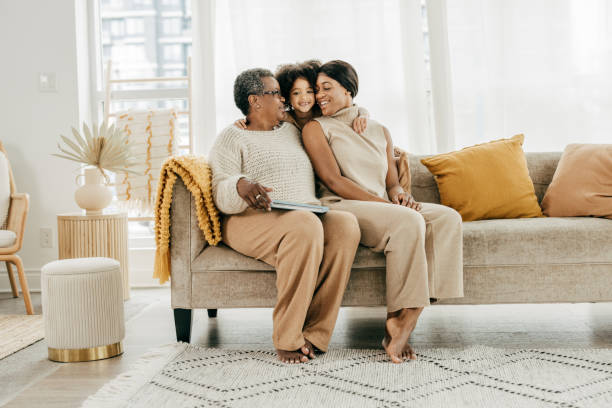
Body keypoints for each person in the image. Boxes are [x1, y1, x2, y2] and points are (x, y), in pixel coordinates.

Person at [302, 60, 464, 364]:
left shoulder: (379, 130)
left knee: (447, 218)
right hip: (342, 205)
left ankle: (409, 316)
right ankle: (396, 317)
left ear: (348, 89)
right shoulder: (315, 128)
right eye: (317, 90)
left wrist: (402, 197)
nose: (319, 95)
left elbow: (391, 183)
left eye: (327, 88)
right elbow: (333, 180)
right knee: (406, 222)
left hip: (382, 206)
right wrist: (389, 207)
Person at [209, 68, 361, 364]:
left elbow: (337, 108)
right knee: (304, 225)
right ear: (254, 101)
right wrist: (241, 184)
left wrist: (369, 124)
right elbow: (219, 190)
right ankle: (287, 338)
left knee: (345, 225)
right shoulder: (231, 136)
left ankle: (316, 333)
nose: (283, 99)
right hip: (248, 219)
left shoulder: (292, 129)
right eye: (275, 93)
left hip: (300, 214)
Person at [235, 60, 369, 133]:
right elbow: (262, 117)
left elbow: (352, 109)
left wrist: (363, 115)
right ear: (287, 96)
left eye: (309, 91)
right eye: (296, 93)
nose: (304, 98)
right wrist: (244, 121)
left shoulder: (322, 112)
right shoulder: (285, 117)